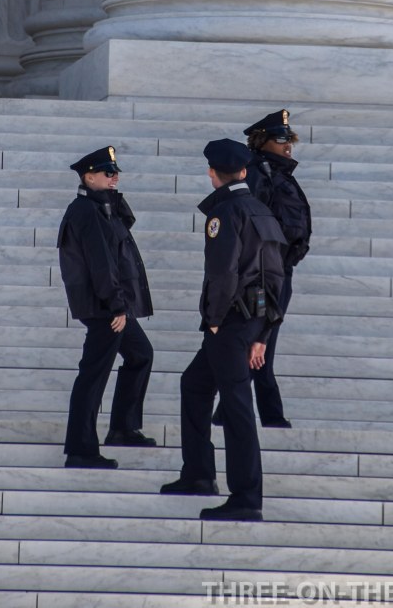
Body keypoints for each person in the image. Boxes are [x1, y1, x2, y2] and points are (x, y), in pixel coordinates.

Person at [161, 138, 286, 521]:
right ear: (244, 172)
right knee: (195, 384)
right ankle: (198, 472)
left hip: (229, 322)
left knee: (236, 407)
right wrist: (264, 334)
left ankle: (246, 497)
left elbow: (223, 272)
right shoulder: (261, 210)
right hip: (252, 321)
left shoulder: (226, 213)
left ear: (212, 174)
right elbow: (277, 276)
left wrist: (214, 319)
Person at [57, 145, 156, 469]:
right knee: (93, 375)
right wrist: (116, 307)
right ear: (88, 176)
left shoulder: (102, 208)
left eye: (115, 173)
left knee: (140, 354)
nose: (114, 178)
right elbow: (101, 265)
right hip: (104, 307)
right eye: (107, 173)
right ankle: (81, 449)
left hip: (113, 303)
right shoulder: (86, 211)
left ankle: (123, 427)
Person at [237, 108, 312, 427]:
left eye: (290, 139)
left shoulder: (279, 174)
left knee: (263, 338)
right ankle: (263, 412)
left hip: (281, 271)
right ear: (262, 140)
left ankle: (230, 410)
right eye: (281, 139)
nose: (288, 144)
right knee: (260, 338)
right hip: (264, 273)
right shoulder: (258, 174)